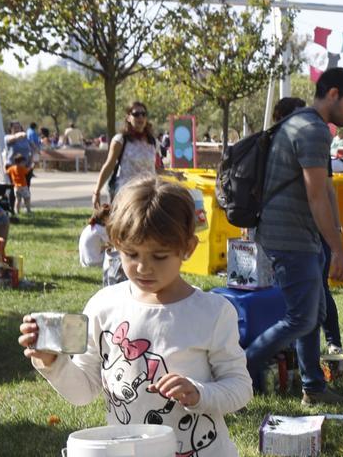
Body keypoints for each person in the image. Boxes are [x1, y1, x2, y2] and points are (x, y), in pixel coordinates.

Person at [18, 177, 252, 455]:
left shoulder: (212, 312)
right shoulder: (104, 306)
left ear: (188, 248)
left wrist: (199, 393)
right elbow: (82, 393)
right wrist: (53, 362)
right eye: (131, 254)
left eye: (160, 256)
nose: (143, 267)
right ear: (115, 244)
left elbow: (240, 387)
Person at [247, 68, 343, 405]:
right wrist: (338, 250)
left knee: (309, 315)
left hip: (294, 234)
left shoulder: (299, 122)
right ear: (332, 94)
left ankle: (313, 388)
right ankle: (239, 368)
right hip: (290, 236)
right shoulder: (312, 129)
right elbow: (317, 195)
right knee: (301, 317)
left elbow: (319, 192)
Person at [271, 96, 343, 356]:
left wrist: (335, 229)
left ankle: (331, 344)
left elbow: (327, 190)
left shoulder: (310, 143)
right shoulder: (276, 147)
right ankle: (268, 359)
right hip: (290, 234)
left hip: (312, 232)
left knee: (317, 296)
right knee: (303, 306)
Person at [92, 101, 159, 206]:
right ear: (128, 117)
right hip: (127, 195)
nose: (140, 117)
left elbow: (158, 169)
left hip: (149, 196)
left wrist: (175, 176)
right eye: (136, 114)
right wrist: (97, 191)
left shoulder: (153, 142)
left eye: (143, 114)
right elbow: (109, 165)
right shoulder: (120, 140)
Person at [5, 120, 35, 188]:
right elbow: (11, 139)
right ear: (11, 129)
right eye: (15, 128)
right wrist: (20, 135)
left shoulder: (25, 138)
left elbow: (32, 149)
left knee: (26, 188)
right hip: (13, 167)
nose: (17, 129)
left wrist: (30, 164)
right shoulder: (8, 137)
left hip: (25, 166)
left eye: (18, 127)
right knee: (14, 187)